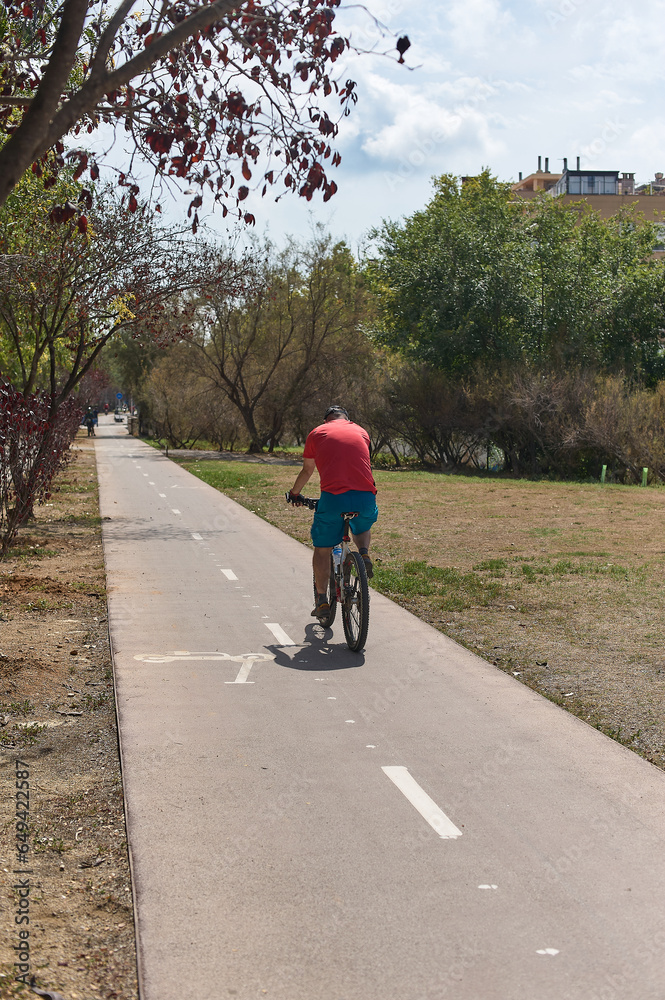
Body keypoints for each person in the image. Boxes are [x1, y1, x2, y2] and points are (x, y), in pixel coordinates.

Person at [288, 405, 378, 619]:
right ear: (347, 418)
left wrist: (295, 494)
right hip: (366, 496)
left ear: (326, 420)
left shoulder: (317, 433)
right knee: (362, 524)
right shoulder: (361, 431)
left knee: (322, 549)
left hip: (333, 498)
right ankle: (363, 553)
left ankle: (322, 600)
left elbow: (308, 469)